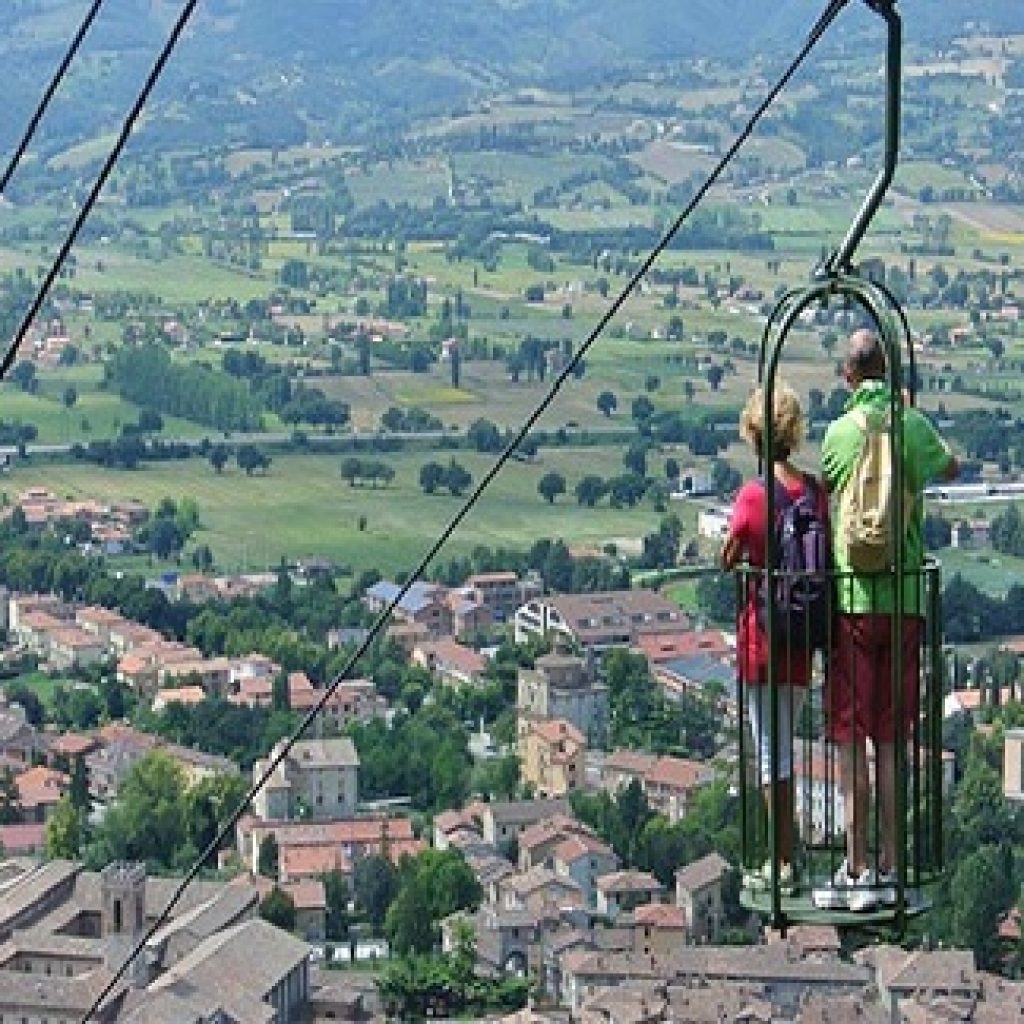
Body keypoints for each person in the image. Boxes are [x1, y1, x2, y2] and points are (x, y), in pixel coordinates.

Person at [815, 328, 958, 912]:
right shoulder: (910, 427)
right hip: (904, 606)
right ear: (891, 373)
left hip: (853, 603)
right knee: (892, 740)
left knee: (850, 739)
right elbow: (949, 468)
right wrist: (911, 419)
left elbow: (826, 485)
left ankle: (857, 867)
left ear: (848, 376)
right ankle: (896, 867)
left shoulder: (839, 433)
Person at [723, 381, 828, 895]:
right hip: (801, 636)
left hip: (762, 639)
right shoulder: (812, 491)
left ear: (754, 435)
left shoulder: (753, 494)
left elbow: (730, 555)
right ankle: (792, 852)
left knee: (771, 752)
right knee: (788, 743)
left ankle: (782, 860)